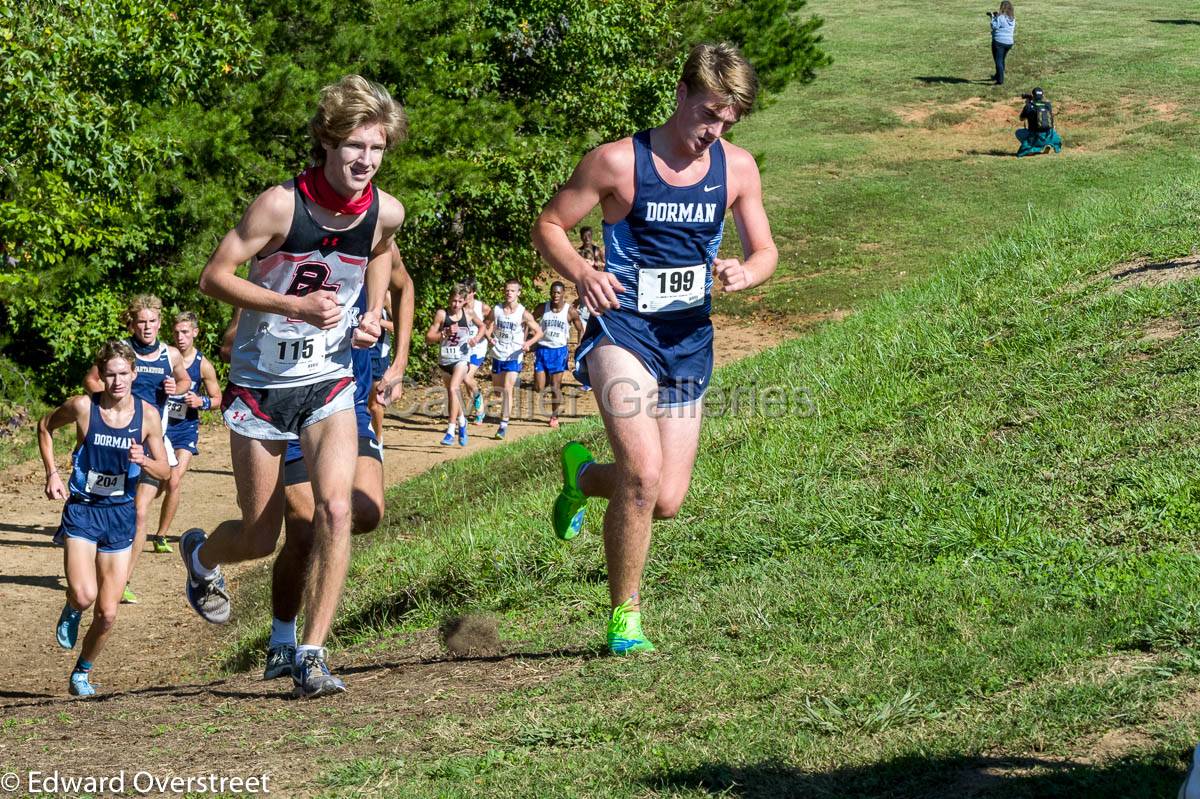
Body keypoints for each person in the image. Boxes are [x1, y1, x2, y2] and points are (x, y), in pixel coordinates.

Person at [531, 42, 777, 655]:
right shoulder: (618, 162)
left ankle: (583, 475)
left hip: (689, 340)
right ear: (681, 96)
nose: (713, 131)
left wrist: (748, 272)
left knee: (664, 497)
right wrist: (581, 276)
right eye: (708, 115)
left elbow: (765, 250)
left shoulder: (738, 169)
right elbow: (549, 224)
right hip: (623, 332)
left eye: (727, 121)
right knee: (641, 475)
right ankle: (625, 618)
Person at [186, 74, 406, 699]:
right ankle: (202, 557)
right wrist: (294, 306)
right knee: (259, 535)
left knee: (337, 509)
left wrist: (369, 311)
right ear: (327, 143)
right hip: (259, 384)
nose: (365, 161)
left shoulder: (384, 210)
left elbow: (383, 250)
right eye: (354, 147)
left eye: (377, 148)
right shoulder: (280, 205)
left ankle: (310, 652)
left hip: (328, 381)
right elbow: (214, 276)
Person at [261, 247, 414, 680]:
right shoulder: (288, 254)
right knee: (305, 526)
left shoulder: (373, 247)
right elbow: (236, 334)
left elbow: (405, 287)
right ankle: (284, 640)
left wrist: (399, 362)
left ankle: (305, 643)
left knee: (364, 513)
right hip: (291, 405)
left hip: (347, 403)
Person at [41, 340, 172, 695]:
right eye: (109, 375)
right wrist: (52, 473)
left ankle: (82, 672)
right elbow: (44, 426)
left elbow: (163, 471)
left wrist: (144, 460)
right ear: (100, 376)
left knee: (108, 613)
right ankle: (71, 606)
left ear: (134, 373)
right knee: (84, 596)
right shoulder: (84, 407)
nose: (117, 382)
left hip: (120, 514)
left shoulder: (148, 415)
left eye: (123, 374)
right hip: (84, 510)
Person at [83, 294, 190, 604]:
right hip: (115, 440)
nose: (147, 327)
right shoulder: (120, 352)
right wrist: (110, 401)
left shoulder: (170, 354)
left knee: (140, 512)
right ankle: (97, 565)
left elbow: (183, 380)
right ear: (131, 322)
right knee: (107, 508)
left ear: (159, 322)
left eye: (153, 321)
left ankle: (122, 581)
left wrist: (176, 388)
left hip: (152, 439)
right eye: (141, 321)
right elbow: (91, 380)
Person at [149, 311, 222, 555]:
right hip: (160, 428)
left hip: (185, 429)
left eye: (185, 332)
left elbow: (217, 398)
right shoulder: (164, 357)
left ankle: (161, 535)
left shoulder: (203, 365)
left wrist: (200, 401)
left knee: (174, 479)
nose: (180, 337)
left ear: (195, 333)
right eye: (177, 332)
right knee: (159, 481)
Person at [426, 284, 485, 446]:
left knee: (454, 388)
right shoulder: (442, 314)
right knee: (453, 394)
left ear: (464, 302)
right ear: (449, 299)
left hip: (462, 359)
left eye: (459, 301)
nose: (456, 305)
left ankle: (451, 431)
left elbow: (482, 326)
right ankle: (462, 421)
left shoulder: (469, 313)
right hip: (445, 360)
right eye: (453, 301)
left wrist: (476, 339)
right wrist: (444, 333)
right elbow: (428, 337)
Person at [486, 279, 542, 439]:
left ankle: (503, 425)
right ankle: (503, 413)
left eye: (512, 290)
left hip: (514, 355)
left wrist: (528, 343)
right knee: (497, 390)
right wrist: (489, 337)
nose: (509, 293)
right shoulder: (496, 309)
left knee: (507, 388)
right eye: (507, 290)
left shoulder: (523, 313)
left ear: (518, 293)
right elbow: (486, 324)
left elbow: (539, 332)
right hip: (498, 353)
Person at [533, 281, 583, 428]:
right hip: (542, 350)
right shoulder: (543, 308)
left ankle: (554, 416)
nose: (555, 295)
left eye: (558, 293)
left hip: (559, 351)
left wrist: (579, 344)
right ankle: (547, 378)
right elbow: (529, 320)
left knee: (555, 386)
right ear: (550, 293)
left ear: (563, 294)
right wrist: (528, 339)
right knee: (539, 387)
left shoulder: (570, 311)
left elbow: (580, 328)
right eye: (553, 292)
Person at [463, 279, 491, 425]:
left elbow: (491, 321)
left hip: (478, 347)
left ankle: (479, 408)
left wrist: (488, 336)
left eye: (467, 293)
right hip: (463, 348)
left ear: (473, 292)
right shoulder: (458, 306)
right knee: (465, 380)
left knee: (467, 377)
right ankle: (478, 406)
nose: (465, 296)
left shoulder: (482, 307)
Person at [1015, 87, 1062, 156]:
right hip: (1050, 135)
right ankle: (1047, 144)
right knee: (1052, 129)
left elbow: (1021, 118)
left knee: (1018, 132)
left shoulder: (1029, 106)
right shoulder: (1048, 105)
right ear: (1042, 95)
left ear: (1033, 95)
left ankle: (1031, 150)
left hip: (1035, 136)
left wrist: (1028, 104)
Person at [988, 2, 1016, 86]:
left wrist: (992, 17)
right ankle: (998, 75)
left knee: (998, 61)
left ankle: (1000, 80)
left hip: (999, 42)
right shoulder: (1012, 18)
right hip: (1009, 42)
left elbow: (994, 26)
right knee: (1002, 59)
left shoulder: (1000, 17)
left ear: (1002, 7)